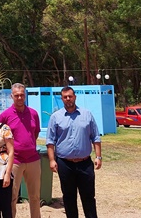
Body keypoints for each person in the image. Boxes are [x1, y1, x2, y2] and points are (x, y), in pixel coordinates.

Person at [45, 86, 102, 218]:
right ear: (62, 99)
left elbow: (96, 137)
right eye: (65, 97)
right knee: (69, 198)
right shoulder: (56, 117)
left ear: (75, 97)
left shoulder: (86, 114)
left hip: (85, 163)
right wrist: (52, 160)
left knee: (88, 197)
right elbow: (50, 141)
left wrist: (98, 156)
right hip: (65, 164)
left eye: (70, 96)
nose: (68, 99)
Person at [0, 83, 41, 218]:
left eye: (22, 95)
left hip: (33, 160)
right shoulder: (5, 116)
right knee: (12, 196)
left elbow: (35, 133)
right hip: (14, 161)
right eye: (16, 95)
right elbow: (0, 136)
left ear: (25, 95)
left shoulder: (33, 113)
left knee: (34, 196)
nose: (19, 97)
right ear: (12, 96)